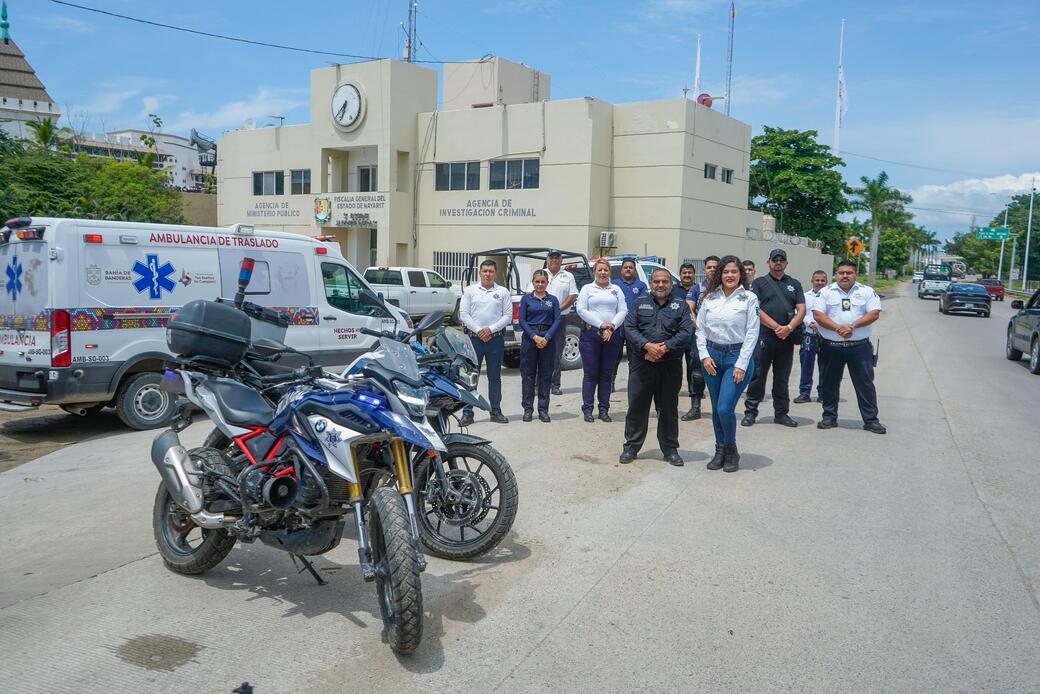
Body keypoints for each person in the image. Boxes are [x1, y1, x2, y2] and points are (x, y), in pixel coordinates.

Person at [620, 269, 693, 467]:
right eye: (656, 281)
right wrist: (647, 346)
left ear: (671, 283)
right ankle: (631, 447)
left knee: (669, 408)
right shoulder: (638, 303)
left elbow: (686, 331)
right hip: (642, 363)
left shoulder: (681, 306)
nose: (660, 285)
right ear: (651, 283)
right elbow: (629, 328)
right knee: (637, 407)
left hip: (670, 365)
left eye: (665, 282)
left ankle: (670, 449)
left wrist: (665, 347)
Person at [697, 256, 760, 472]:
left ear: (740, 274)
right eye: (726, 272)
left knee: (725, 407)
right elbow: (700, 329)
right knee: (716, 408)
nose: (730, 275)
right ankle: (719, 450)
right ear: (719, 275)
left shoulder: (749, 298)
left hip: (736, 356)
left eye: (734, 271)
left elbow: (752, 332)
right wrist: (704, 355)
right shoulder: (709, 298)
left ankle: (731, 449)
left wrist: (742, 364)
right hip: (712, 356)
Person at [812, 260, 886, 434]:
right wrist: (838, 328)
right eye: (841, 272)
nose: (845, 276)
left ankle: (870, 420)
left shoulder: (866, 291)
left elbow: (874, 313)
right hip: (831, 346)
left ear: (855, 274)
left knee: (865, 384)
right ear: (836, 274)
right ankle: (829, 417)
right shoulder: (825, 292)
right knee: (829, 384)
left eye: (849, 273)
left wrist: (852, 326)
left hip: (859, 348)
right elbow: (818, 315)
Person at [742, 248, 805, 428]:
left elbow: (801, 309)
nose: (778, 263)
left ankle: (781, 414)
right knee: (758, 376)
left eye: (782, 260)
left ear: (786, 263)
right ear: (768, 262)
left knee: (782, 379)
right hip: (765, 336)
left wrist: (789, 327)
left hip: (786, 338)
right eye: (775, 260)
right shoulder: (760, 283)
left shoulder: (795, 283)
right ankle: (750, 412)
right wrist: (777, 327)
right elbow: (755, 309)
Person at [459, 259, 512, 426]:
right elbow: (463, 314)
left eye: (491, 271)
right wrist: (478, 330)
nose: (488, 274)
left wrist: (490, 329)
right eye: (485, 271)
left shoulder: (503, 292)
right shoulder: (470, 291)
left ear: (495, 273)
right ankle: (468, 413)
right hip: (473, 340)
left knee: (494, 378)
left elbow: (507, 316)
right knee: (470, 378)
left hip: (495, 340)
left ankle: (495, 411)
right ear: (479, 273)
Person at [576, 260, 628, 422]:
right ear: (594, 272)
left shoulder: (616, 289)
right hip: (591, 335)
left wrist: (611, 326)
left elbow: (623, 310)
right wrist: (601, 325)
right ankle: (588, 409)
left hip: (612, 335)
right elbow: (581, 309)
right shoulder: (587, 289)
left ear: (610, 272)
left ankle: (604, 409)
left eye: (606, 270)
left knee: (606, 374)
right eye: (600, 270)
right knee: (591, 374)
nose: (603, 273)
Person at [518, 270, 561, 422]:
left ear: (547, 283)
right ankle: (527, 409)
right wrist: (535, 336)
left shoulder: (553, 300)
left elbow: (557, 320)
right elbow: (522, 320)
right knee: (528, 375)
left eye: (543, 282)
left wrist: (547, 337)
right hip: (531, 337)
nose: (540, 284)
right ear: (533, 282)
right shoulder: (526, 299)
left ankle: (543, 409)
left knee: (545, 375)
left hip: (548, 338)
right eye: (537, 282)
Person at [538, 250, 578, 396]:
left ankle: (555, 384)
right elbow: (532, 293)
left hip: (560, 318)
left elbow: (572, 296)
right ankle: (538, 384)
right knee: (539, 351)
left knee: (556, 351)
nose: (554, 260)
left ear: (561, 260)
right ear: (547, 259)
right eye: (551, 257)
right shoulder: (540, 273)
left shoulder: (568, 276)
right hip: (540, 319)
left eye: (557, 258)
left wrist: (556, 309)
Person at [611, 258, 648, 389]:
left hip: (634, 326)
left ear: (634, 270)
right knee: (615, 355)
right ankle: (611, 383)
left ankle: (634, 383)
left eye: (630, 267)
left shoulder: (641, 286)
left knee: (634, 356)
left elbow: (644, 305)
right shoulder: (614, 285)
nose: (628, 269)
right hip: (617, 326)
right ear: (621, 270)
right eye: (625, 267)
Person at [794, 270, 829, 404]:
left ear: (826, 281)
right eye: (817, 280)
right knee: (806, 365)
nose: (820, 283)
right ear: (812, 281)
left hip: (826, 335)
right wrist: (810, 323)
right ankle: (804, 393)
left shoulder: (830, 296)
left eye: (822, 280)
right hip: (809, 335)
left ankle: (823, 393)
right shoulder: (805, 296)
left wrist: (821, 324)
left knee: (825, 366)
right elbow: (800, 312)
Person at [679, 262, 706, 421]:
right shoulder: (697, 289)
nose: (687, 275)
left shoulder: (726, 289)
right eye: (709, 267)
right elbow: (689, 309)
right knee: (694, 369)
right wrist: (696, 323)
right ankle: (695, 406)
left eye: (690, 272)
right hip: (689, 333)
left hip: (719, 337)